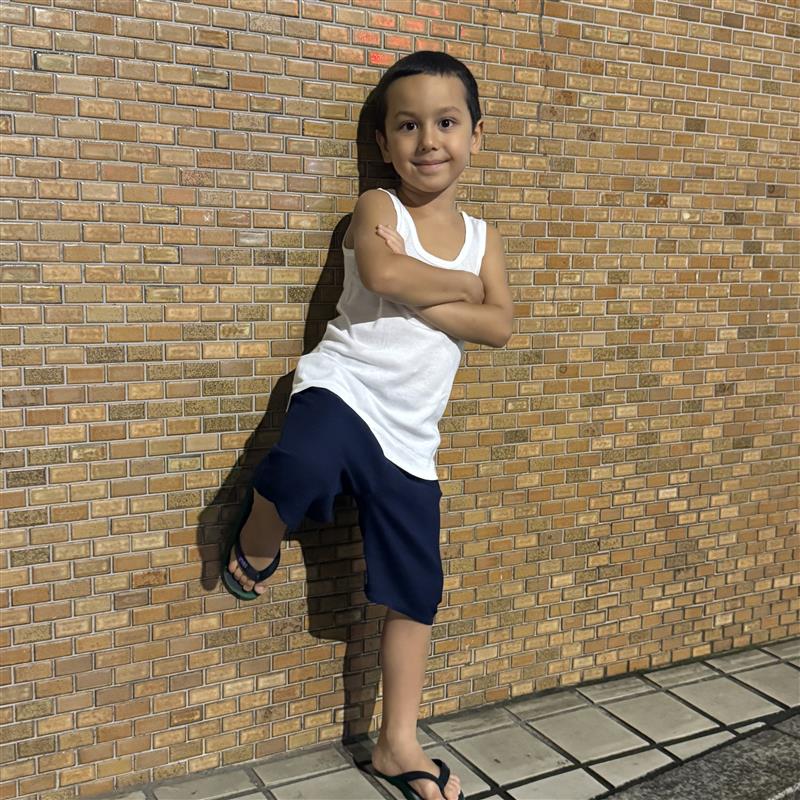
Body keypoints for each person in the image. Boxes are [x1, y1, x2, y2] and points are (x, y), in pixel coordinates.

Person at [222, 51, 513, 800]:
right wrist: (460, 288)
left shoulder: (485, 237)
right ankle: (258, 536)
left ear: (476, 135)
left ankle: (396, 742)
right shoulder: (376, 206)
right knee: (302, 464)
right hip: (345, 387)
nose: (428, 141)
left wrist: (437, 286)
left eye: (446, 123)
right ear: (384, 142)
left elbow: (500, 326)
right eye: (408, 126)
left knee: (418, 586)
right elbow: (385, 276)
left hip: (412, 434)